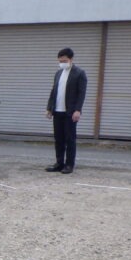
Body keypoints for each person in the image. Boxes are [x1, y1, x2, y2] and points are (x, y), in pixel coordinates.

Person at [45, 47, 88, 175]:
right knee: (58, 139)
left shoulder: (79, 73)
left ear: (71, 59)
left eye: (64, 61)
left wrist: (78, 110)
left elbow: (81, 94)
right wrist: (49, 108)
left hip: (70, 112)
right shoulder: (58, 73)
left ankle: (69, 164)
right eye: (60, 61)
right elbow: (53, 91)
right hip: (57, 111)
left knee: (70, 139)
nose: (62, 63)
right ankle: (59, 163)